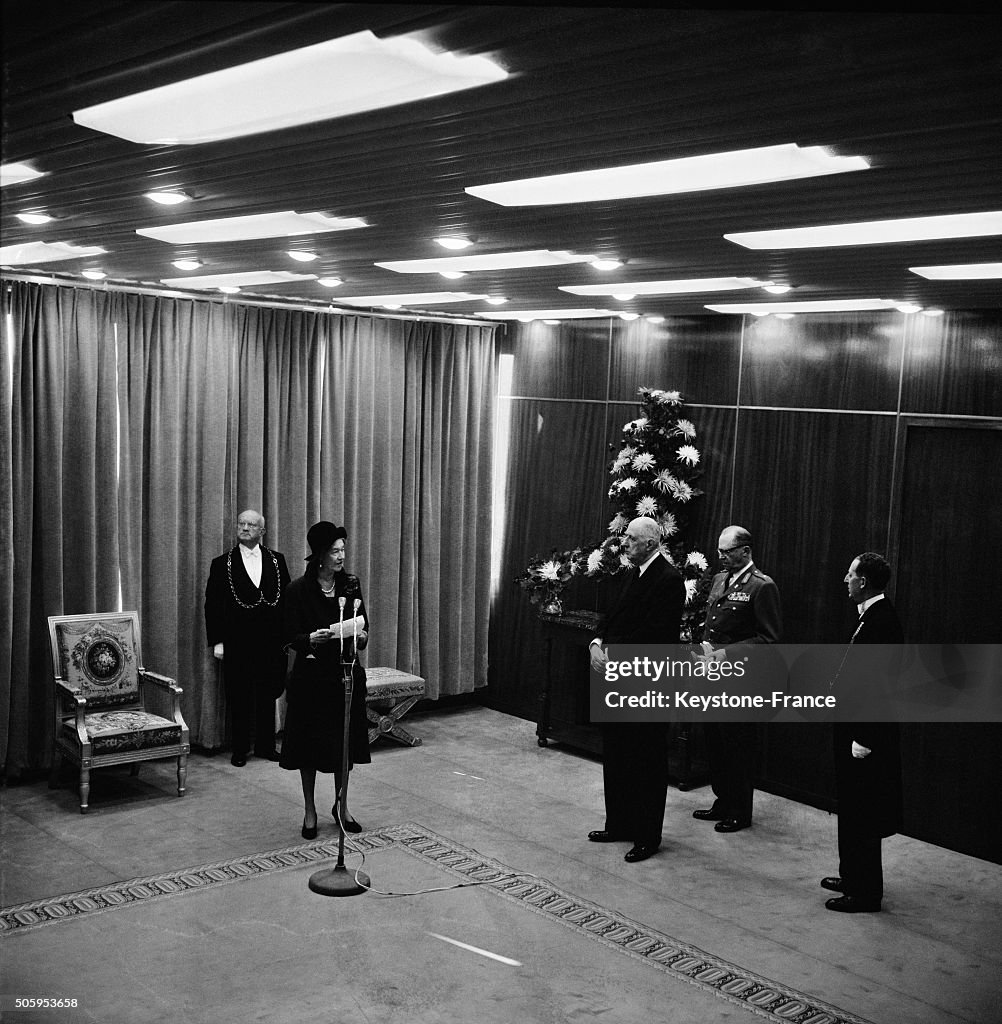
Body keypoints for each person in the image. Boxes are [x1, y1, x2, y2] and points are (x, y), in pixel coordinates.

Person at [587, 517, 684, 863]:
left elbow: (656, 635)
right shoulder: (633, 573)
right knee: (616, 752)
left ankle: (646, 835)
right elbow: (612, 616)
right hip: (618, 678)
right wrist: (597, 642)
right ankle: (620, 823)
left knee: (646, 759)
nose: (623, 543)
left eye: (630, 538)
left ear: (649, 543)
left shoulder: (670, 580)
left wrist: (611, 651)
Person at [822, 552, 904, 913]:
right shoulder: (868, 617)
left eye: (850, 574)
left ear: (864, 582)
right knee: (851, 808)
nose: (845, 579)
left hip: (865, 737)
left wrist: (866, 737)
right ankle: (852, 874)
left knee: (864, 812)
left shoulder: (882, 622)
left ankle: (866, 892)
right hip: (851, 727)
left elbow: (881, 687)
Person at [280, 521, 371, 840]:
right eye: (335, 550)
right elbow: (288, 636)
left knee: (343, 745)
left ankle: (341, 806)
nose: (341, 556)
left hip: (345, 675)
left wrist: (360, 636)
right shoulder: (298, 590)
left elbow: (364, 626)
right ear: (319, 554)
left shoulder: (351, 584)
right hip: (311, 679)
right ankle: (309, 810)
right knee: (308, 747)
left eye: (343, 549)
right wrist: (309, 639)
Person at [693, 525, 781, 833]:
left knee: (738, 747)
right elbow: (712, 624)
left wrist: (727, 655)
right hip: (712, 677)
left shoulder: (762, 586)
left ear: (745, 551)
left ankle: (740, 810)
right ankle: (722, 800)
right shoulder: (720, 580)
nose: (721, 558)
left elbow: (768, 639)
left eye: (727, 552)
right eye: (719, 552)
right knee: (715, 743)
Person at [205, 510, 290, 766]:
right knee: (239, 695)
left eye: (250, 524)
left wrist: (287, 638)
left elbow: (287, 600)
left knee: (267, 694)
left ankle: (266, 746)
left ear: (261, 531)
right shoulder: (222, 563)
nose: (244, 528)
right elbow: (213, 605)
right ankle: (240, 749)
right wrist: (218, 641)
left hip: (271, 641)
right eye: (241, 523)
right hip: (237, 641)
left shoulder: (277, 560)